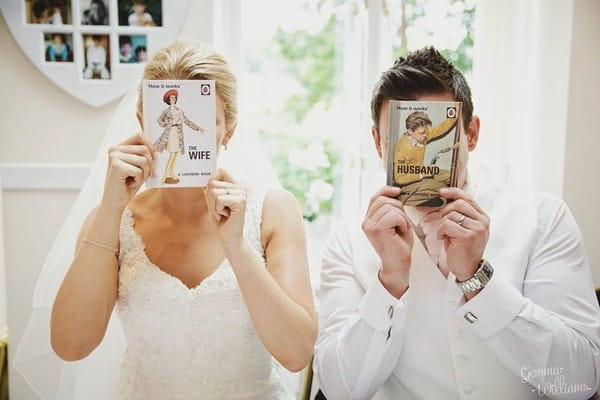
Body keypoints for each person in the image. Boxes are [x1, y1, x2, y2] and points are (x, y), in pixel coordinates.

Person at [16, 41, 317, 399]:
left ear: (229, 131)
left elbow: (297, 354)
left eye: (207, 122)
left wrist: (237, 247)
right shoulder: (111, 220)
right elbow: (70, 345)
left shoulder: (273, 211)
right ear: (142, 122)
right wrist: (111, 210)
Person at [313, 47, 600, 399]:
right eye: (402, 141)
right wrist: (388, 283)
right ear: (378, 143)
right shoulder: (348, 239)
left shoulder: (543, 218)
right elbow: (341, 391)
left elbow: (578, 383)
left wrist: (478, 280)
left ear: (472, 133)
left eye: (439, 140)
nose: (422, 158)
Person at [392, 110, 458, 206]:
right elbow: (399, 178)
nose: (426, 135)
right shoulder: (402, 149)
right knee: (442, 187)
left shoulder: (423, 134)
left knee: (452, 176)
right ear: (410, 132)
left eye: (426, 131)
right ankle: (408, 198)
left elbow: (443, 127)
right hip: (408, 184)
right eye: (422, 133)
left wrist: (455, 111)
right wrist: (422, 174)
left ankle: (425, 197)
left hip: (422, 173)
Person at [154, 89, 203, 184]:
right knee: (172, 154)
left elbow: (187, 121)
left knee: (176, 153)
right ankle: (164, 175)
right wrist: (165, 123)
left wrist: (198, 128)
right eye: (171, 98)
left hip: (178, 133)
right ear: (168, 100)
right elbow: (159, 120)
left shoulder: (179, 111)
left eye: (174, 98)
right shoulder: (166, 111)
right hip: (170, 132)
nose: (173, 99)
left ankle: (171, 173)